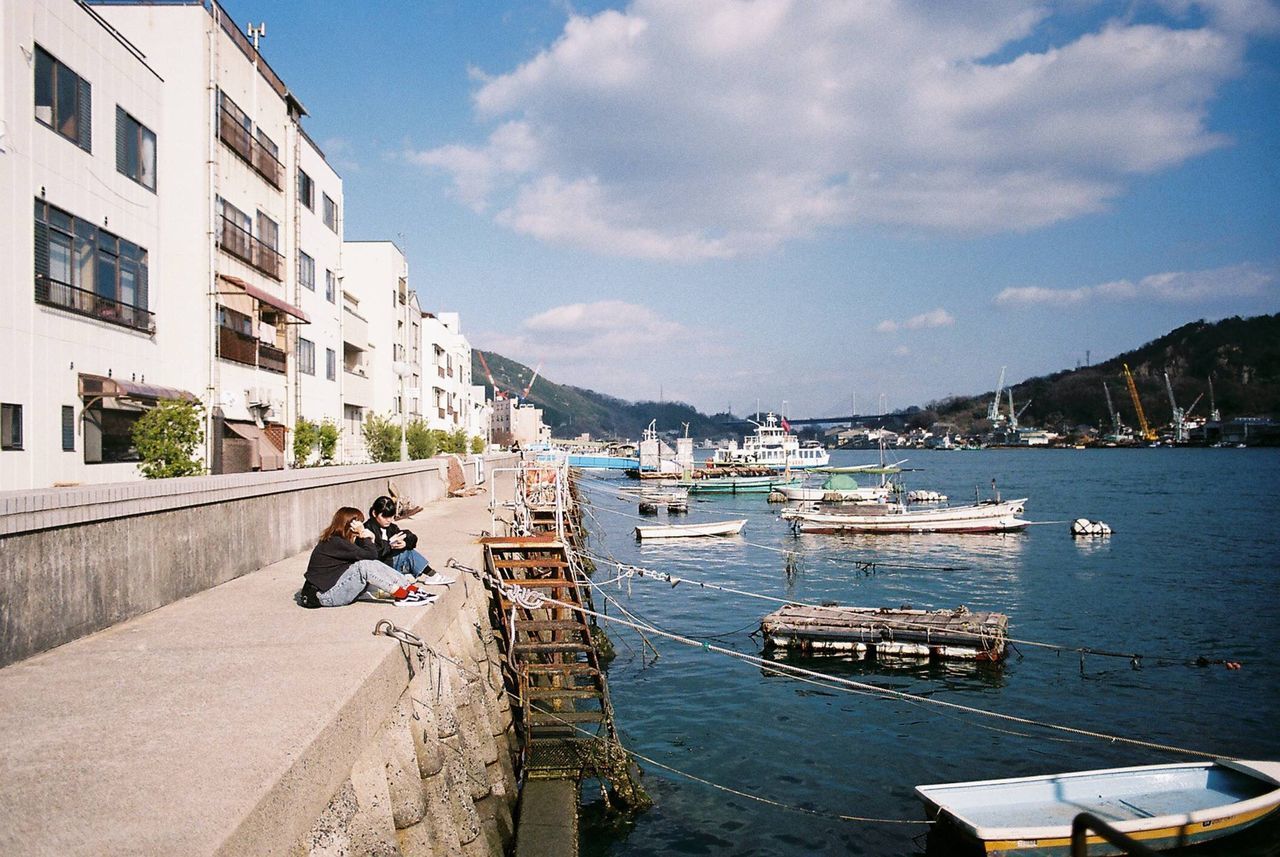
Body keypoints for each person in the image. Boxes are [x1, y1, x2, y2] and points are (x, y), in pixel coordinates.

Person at [302, 507, 432, 607]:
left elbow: (373, 558)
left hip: (333, 588)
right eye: (359, 524)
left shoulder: (342, 541)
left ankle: (409, 589)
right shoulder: (335, 542)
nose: (362, 526)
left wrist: (371, 538)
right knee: (363, 566)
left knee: (371, 569)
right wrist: (363, 534)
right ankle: (402, 595)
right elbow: (370, 556)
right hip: (324, 596)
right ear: (350, 525)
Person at [364, 496, 431, 577]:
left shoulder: (391, 527)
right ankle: (431, 575)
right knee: (407, 553)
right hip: (379, 567)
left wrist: (405, 543)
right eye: (385, 517)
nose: (389, 520)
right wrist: (389, 545)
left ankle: (431, 575)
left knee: (408, 549)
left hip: (391, 564)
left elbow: (410, 536)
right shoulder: (367, 529)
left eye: (391, 516)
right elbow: (373, 553)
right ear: (374, 513)